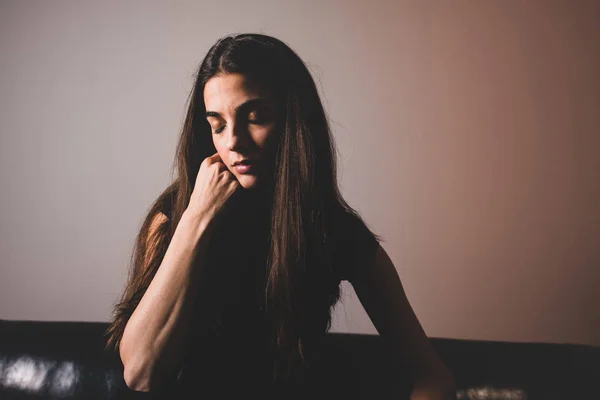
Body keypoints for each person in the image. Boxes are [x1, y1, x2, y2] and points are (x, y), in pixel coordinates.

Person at [104, 33, 456, 399]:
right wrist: (196, 217)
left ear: (293, 123)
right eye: (217, 124)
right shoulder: (173, 217)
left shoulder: (332, 230)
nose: (233, 141)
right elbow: (141, 373)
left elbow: (433, 377)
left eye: (254, 118)